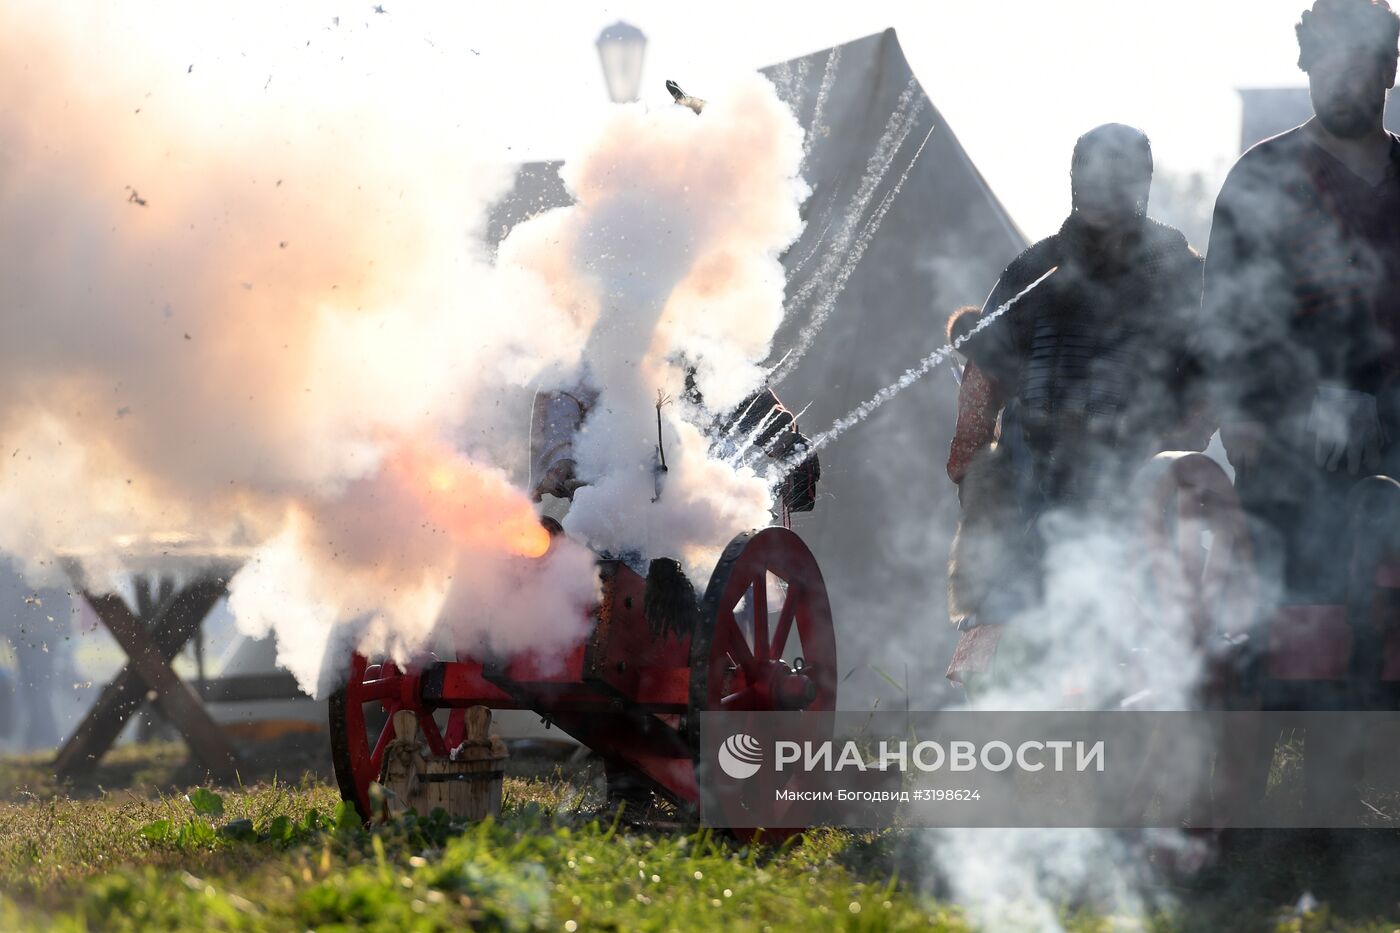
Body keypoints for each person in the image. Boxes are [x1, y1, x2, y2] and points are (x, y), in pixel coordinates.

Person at [1198, 0, 1400, 821]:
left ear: (1391, 69)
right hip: (1286, 450)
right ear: (1307, 64)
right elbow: (1228, 327)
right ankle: (1269, 803)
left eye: (1364, 61)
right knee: (1295, 599)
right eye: (1331, 60)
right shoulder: (1263, 178)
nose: (1345, 77)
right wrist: (1280, 410)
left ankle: (1350, 787)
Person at [946, 123, 1208, 690]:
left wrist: (1175, 445)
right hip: (1029, 473)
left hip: (1132, 475)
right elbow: (986, 362)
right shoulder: (1034, 269)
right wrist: (970, 447)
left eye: (1115, 174)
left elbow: (1209, 371)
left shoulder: (1177, 270)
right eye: (1090, 173)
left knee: (1125, 638)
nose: (1101, 188)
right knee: (1010, 629)